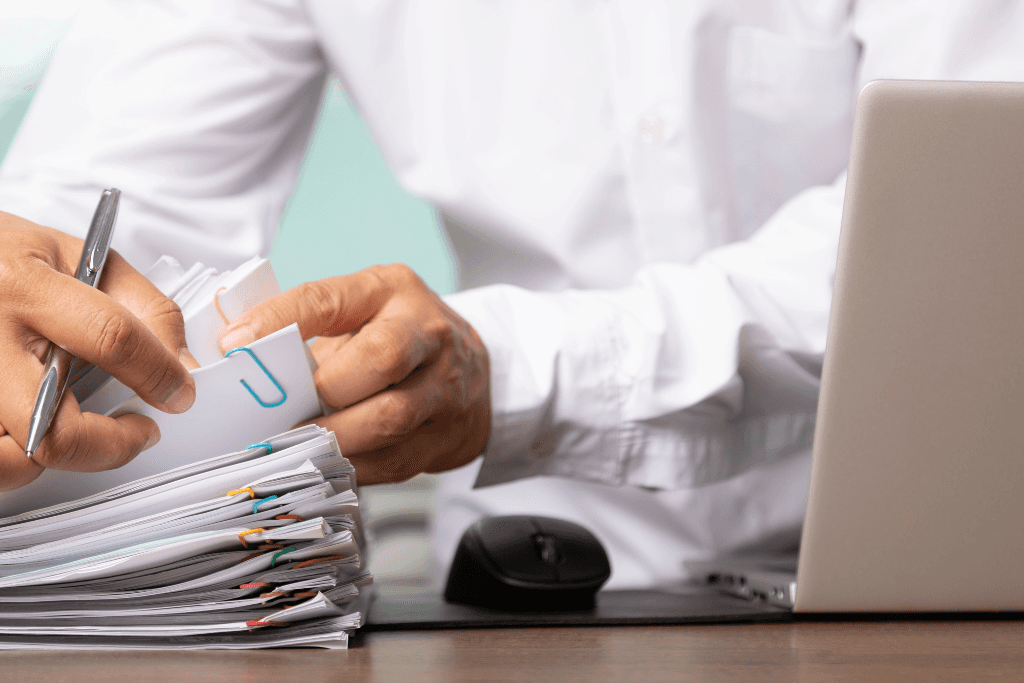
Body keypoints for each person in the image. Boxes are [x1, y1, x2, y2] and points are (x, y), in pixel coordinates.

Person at [0, 0, 1020, 588]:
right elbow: (110, 209)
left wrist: (516, 372)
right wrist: (31, 293)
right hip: (530, 590)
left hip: (944, 574)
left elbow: (977, 214)